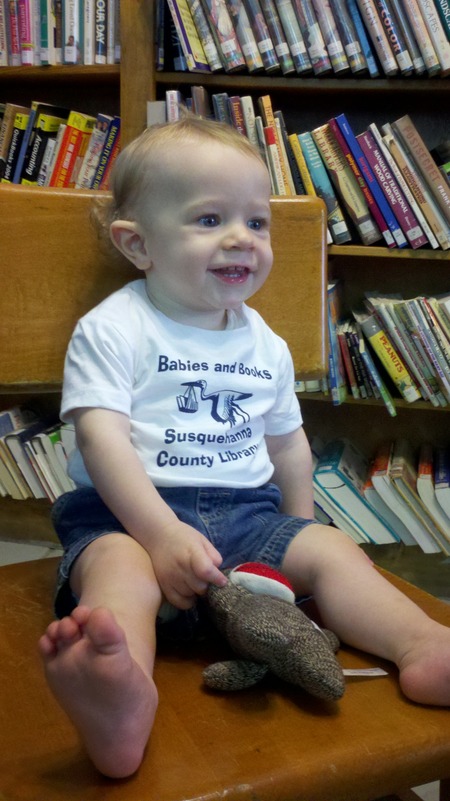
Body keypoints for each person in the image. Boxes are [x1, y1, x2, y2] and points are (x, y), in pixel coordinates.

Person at [38, 115, 450, 779]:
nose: (241, 238)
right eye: (209, 219)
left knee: (335, 551)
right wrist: (160, 533)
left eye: (256, 222)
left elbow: (288, 446)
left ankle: (424, 646)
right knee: (118, 572)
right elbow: (100, 436)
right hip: (129, 517)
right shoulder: (115, 327)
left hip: (249, 519)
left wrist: (298, 540)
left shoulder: (266, 343)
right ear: (138, 244)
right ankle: (121, 692)